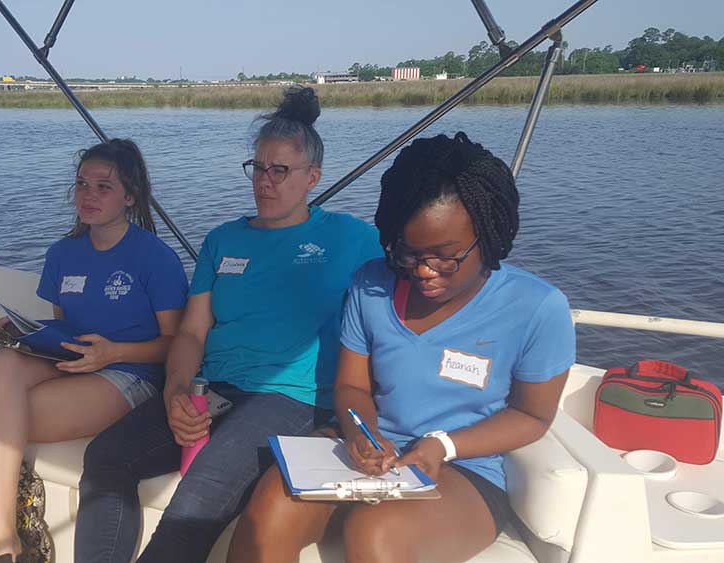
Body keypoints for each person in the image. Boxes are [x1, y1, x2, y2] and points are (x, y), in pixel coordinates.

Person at [228, 132, 576, 563]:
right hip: (372, 453)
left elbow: (532, 415)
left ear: (487, 234)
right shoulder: (371, 285)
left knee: (377, 534)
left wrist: (441, 445)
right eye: (409, 255)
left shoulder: (537, 307)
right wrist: (362, 433)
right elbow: (353, 389)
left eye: (445, 256)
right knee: (268, 509)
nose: (425, 271)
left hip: (463, 468)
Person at [75, 86, 382, 563]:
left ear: (312, 178)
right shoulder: (223, 241)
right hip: (212, 388)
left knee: (198, 495)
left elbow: (403, 312)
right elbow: (192, 332)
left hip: (293, 399)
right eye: (258, 168)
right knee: (104, 459)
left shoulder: (355, 238)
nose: (265, 181)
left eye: (280, 170)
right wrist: (177, 391)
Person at [0, 139, 188, 563]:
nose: (89, 195)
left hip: (130, 373)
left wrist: (113, 353)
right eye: (82, 184)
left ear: (130, 196)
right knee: (2, 360)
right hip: (73, 362)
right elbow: (67, 325)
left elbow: (175, 344)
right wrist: (25, 330)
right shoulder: (63, 254)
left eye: (104, 187)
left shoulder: (154, 257)